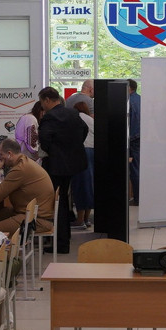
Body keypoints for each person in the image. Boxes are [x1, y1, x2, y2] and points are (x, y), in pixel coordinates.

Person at [37, 87, 84, 256]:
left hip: (55, 165)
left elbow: (44, 139)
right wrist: (71, 148)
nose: (42, 106)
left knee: (58, 202)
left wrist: (55, 151)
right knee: (64, 200)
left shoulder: (49, 117)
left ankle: (61, 242)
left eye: (42, 102)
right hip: (72, 164)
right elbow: (84, 130)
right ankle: (64, 238)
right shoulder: (73, 113)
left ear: (47, 100)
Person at [0, 137, 55, 236]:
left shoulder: (20, 169)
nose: (0, 158)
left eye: (1, 154)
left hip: (36, 220)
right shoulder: (25, 161)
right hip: (34, 214)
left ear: (9, 154)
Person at [68, 93, 96, 229]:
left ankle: (79, 220)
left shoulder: (75, 118)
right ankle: (87, 219)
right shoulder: (92, 120)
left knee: (79, 186)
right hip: (92, 153)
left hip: (79, 153)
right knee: (89, 186)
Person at [126, 78, 142, 206]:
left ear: (129, 88)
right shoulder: (142, 100)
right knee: (139, 167)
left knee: (134, 169)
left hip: (132, 139)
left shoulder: (128, 102)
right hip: (142, 138)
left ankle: (137, 198)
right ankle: (139, 196)